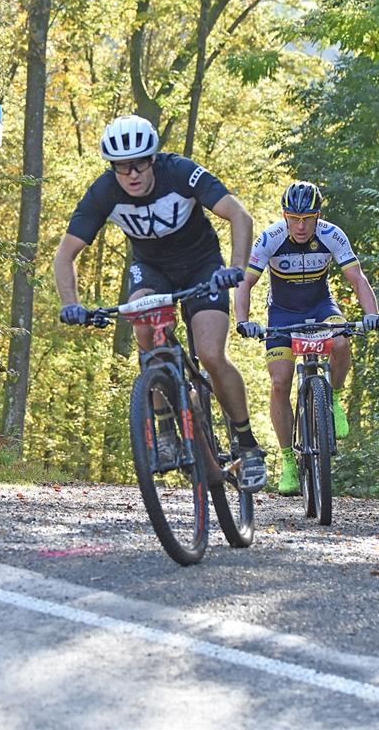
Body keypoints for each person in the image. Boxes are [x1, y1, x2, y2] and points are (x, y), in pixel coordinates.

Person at [53, 114, 268, 492]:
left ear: (153, 158)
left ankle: (246, 443)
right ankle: (165, 424)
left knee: (211, 354)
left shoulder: (180, 172)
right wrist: (71, 303)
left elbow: (240, 215)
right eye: (121, 167)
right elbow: (64, 255)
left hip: (203, 268)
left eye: (139, 163)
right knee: (143, 325)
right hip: (151, 270)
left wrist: (235, 269)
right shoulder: (104, 192)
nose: (131, 174)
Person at [233, 181, 379, 495]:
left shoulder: (332, 235)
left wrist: (372, 313)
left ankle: (334, 399)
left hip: (320, 305)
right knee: (280, 380)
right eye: (294, 218)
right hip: (283, 312)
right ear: (285, 216)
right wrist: (244, 322)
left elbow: (356, 278)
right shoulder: (270, 238)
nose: (301, 226)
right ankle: (289, 461)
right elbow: (245, 284)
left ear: (318, 216)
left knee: (341, 340)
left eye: (308, 219)